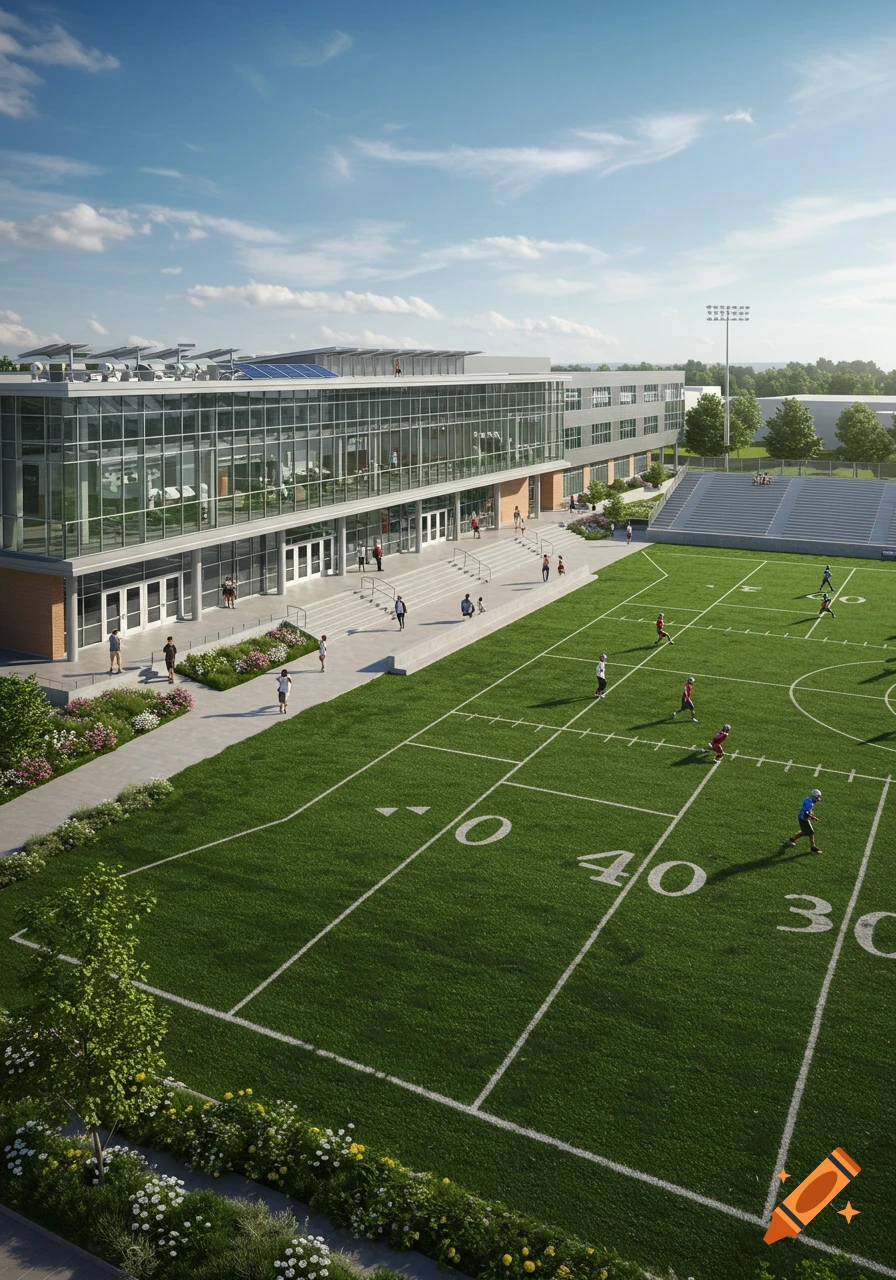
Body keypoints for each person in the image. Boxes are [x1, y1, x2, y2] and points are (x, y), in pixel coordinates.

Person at [788, 788, 823, 854]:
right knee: (811, 832)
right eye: (817, 797)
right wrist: (813, 817)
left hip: (803, 818)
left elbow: (807, 810)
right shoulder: (810, 803)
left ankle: (792, 839)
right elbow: (806, 813)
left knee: (806, 832)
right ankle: (813, 847)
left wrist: (812, 815)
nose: (818, 799)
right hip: (803, 819)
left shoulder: (808, 799)